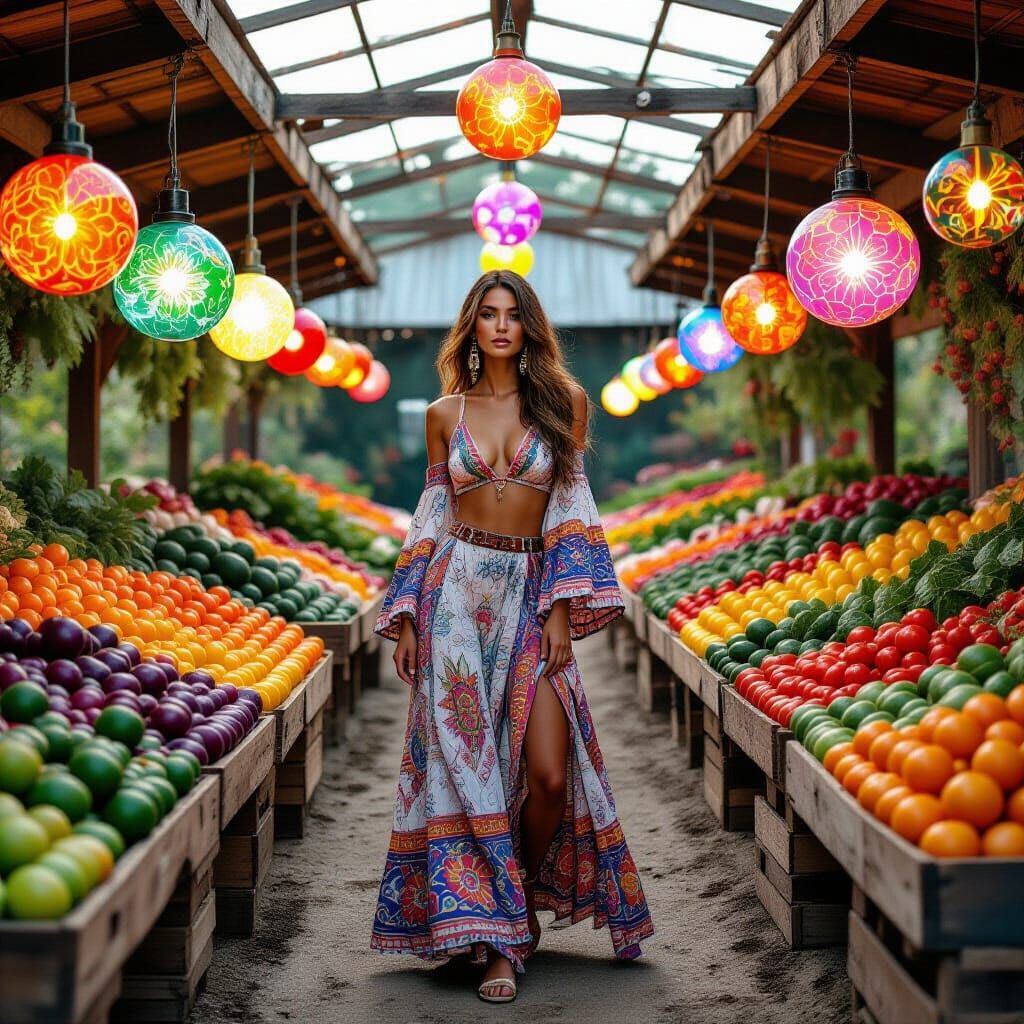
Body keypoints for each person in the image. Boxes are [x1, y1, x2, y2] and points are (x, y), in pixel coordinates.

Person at [370, 270, 654, 1003]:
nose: (501, 326)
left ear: (529, 327)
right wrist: (406, 615)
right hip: (456, 601)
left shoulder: (564, 404)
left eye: (513, 315)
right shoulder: (444, 413)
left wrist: (561, 606)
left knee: (550, 776)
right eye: (489, 315)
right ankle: (502, 937)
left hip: (530, 595)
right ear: (473, 325)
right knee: (471, 774)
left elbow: (571, 505)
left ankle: (514, 898)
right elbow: (432, 514)